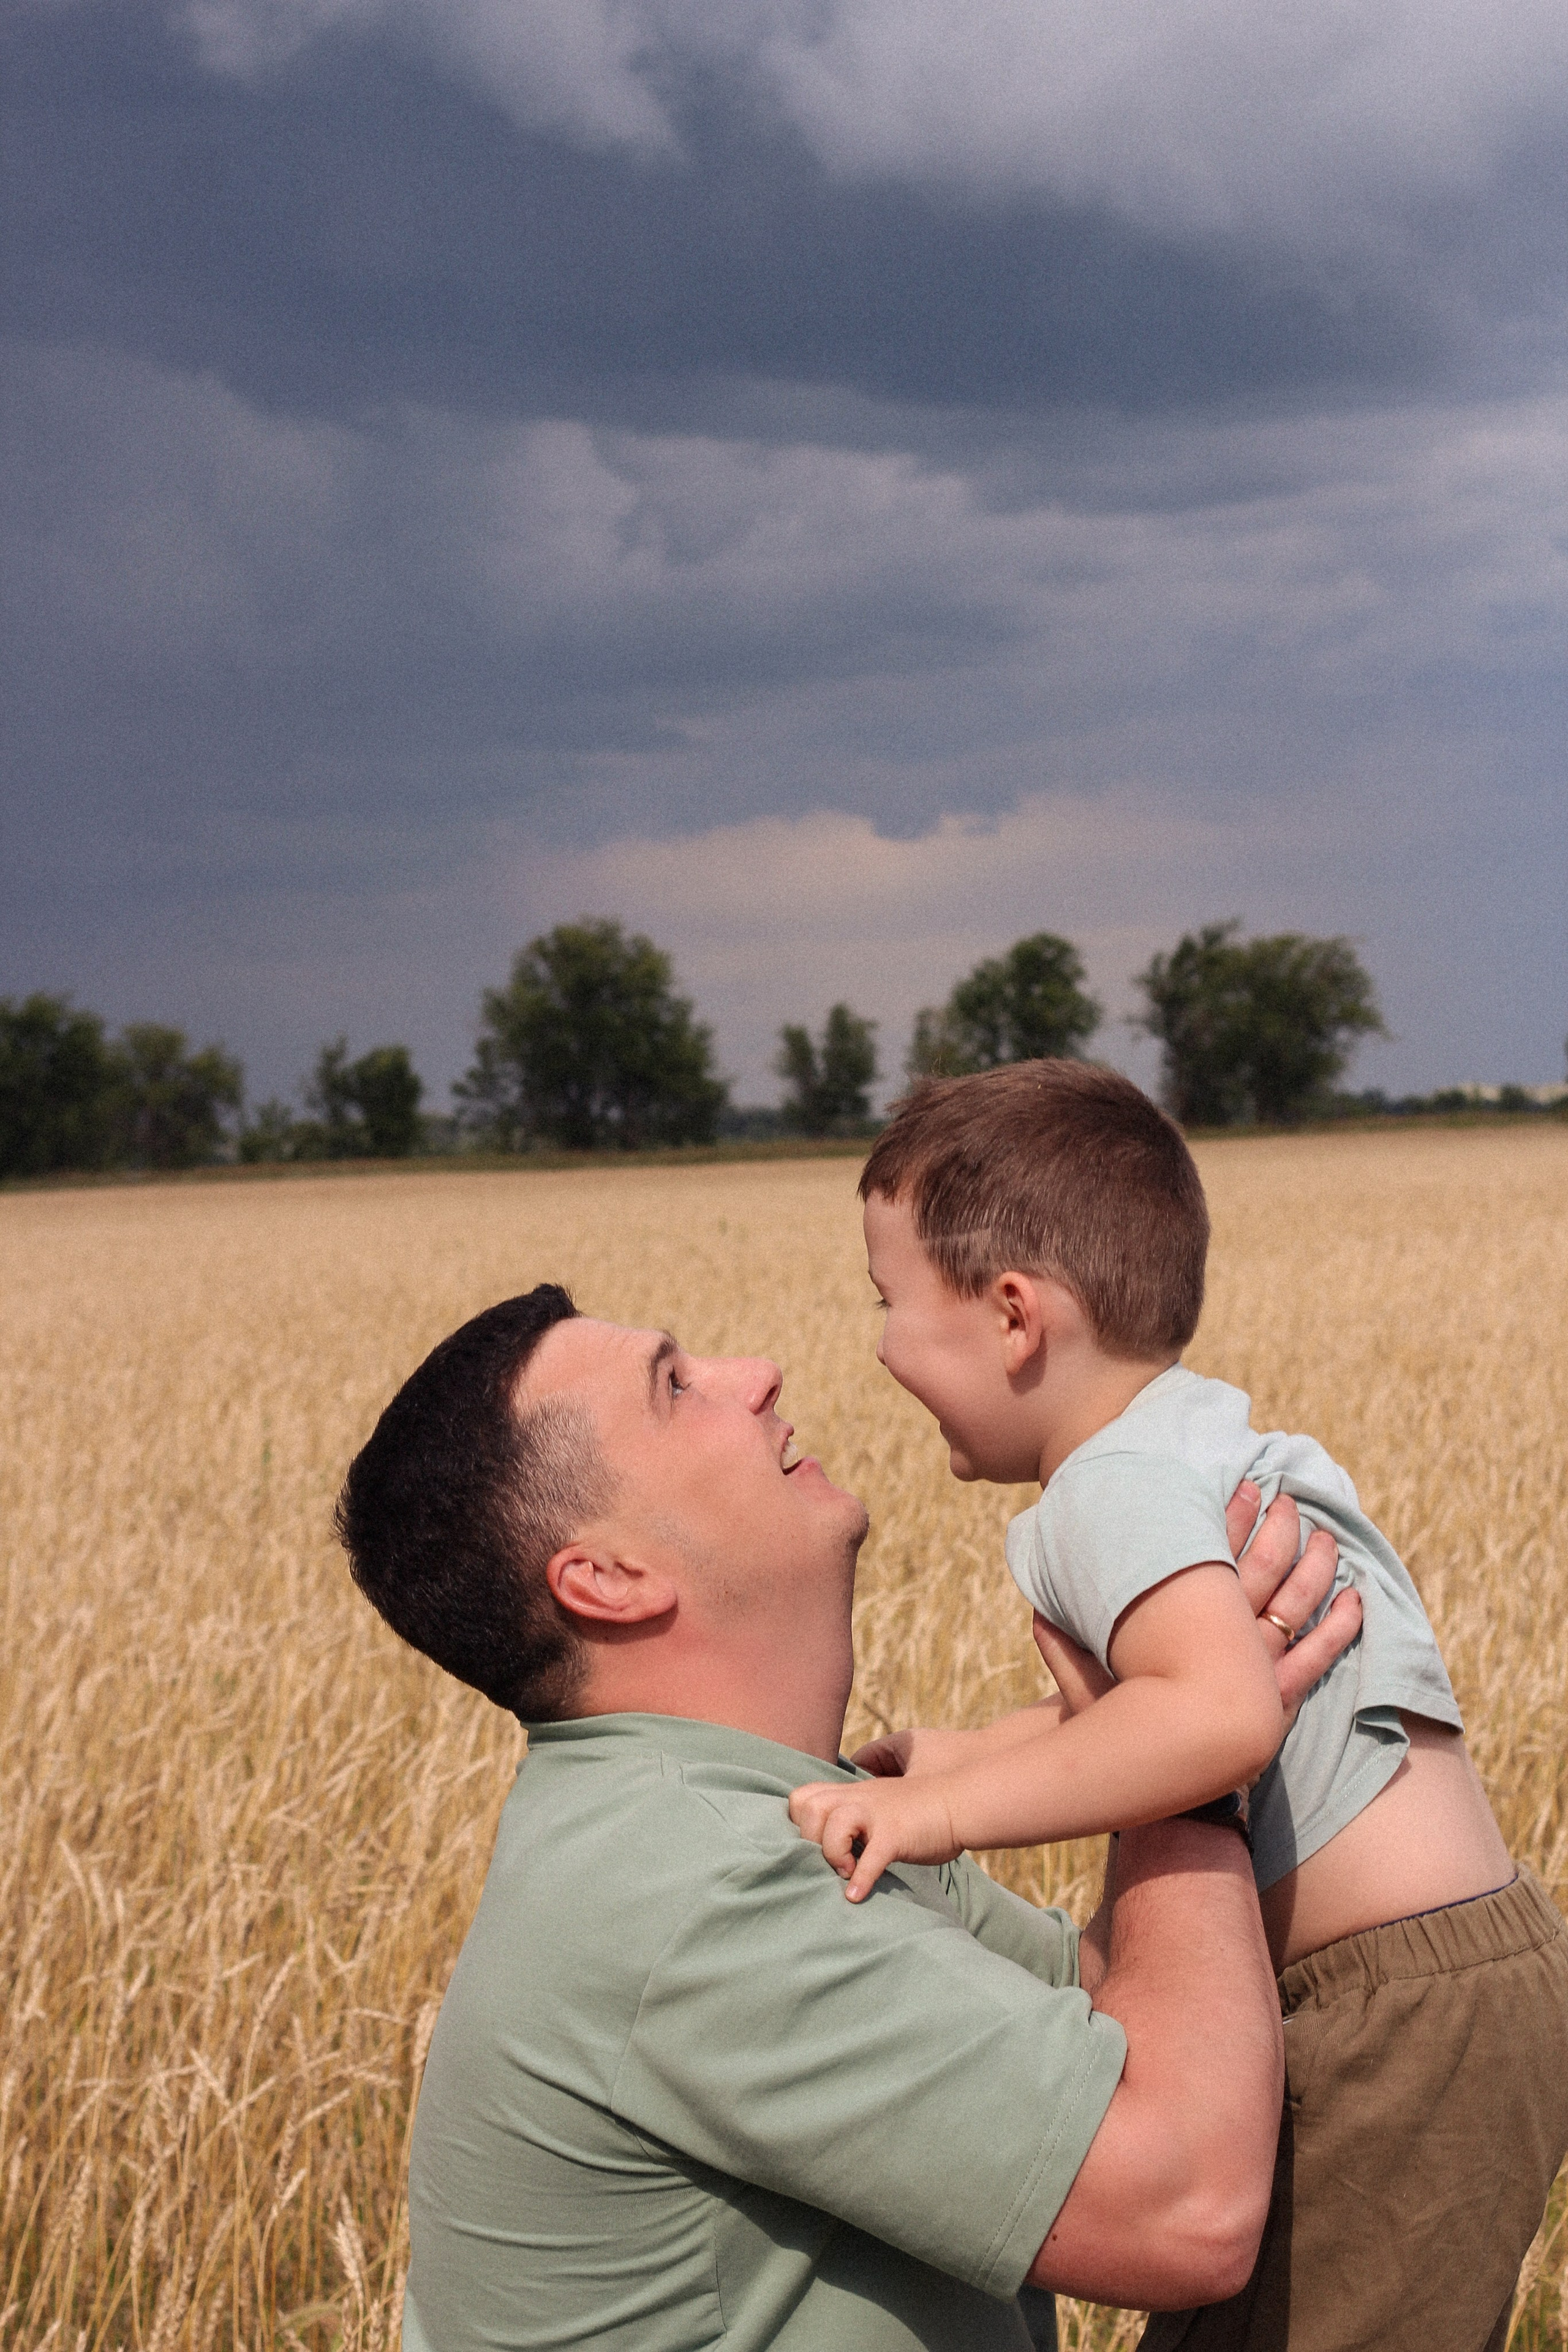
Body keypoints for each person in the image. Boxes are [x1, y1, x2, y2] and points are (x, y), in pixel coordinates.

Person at [336, 1281, 1361, 2352]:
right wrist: (1195, 1751)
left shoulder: (764, 1811)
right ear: (609, 1579)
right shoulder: (689, 1887)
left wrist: (1155, 1724)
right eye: (676, 1387)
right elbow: (1185, 2208)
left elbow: (1124, 2009)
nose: (757, 1373)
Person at [788, 1060, 1568, 2352]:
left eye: (886, 1301)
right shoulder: (1192, 1438)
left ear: (1012, 1315)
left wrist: (940, 1814)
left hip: (1394, 2010)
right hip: (1451, 1977)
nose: (876, 1344)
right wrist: (961, 1750)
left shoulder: (1104, 1491)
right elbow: (1172, 1710)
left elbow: (1213, 1727)